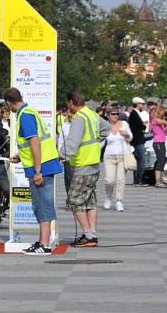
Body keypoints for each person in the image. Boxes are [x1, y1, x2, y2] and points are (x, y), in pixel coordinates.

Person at [4, 87, 62, 255]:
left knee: (42, 204)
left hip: (42, 167)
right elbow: (30, 146)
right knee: (40, 204)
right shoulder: (28, 112)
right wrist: (20, 157)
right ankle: (42, 241)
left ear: (9, 103)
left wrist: (38, 171)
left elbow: (35, 142)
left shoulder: (25, 115)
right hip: (43, 164)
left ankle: (44, 244)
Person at [63, 89, 109, 247]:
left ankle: (87, 234)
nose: (67, 105)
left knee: (74, 201)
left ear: (72, 102)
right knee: (89, 200)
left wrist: (62, 155)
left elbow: (72, 142)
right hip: (94, 163)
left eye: (67, 102)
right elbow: (107, 128)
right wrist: (95, 141)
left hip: (83, 163)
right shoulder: (91, 114)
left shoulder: (79, 118)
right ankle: (92, 234)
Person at [102, 107, 132, 212]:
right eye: (113, 114)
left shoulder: (124, 124)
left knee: (120, 180)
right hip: (109, 156)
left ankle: (119, 201)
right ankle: (108, 196)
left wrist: (126, 134)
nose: (115, 116)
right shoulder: (105, 126)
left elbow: (131, 137)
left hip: (122, 156)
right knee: (109, 180)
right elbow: (101, 142)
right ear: (108, 115)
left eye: (117, 114)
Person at [128, 97, 147, 186]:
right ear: (138, 104)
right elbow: (140, 126)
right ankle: (139, 180)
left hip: (136, 140)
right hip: (138, 140)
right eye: (141, 104)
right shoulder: (134, 114)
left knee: (138, 160)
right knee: (141, 160)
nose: (142, 105)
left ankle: (136, 180)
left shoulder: (134, 113)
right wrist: (143, 125)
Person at [150, 105, 167, 187]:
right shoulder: (155, 120)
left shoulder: (159, 120)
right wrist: (164, 117)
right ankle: (158, 181)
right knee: (160, 161)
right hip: (158, 142)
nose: (164, 112)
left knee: (162, 161)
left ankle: (159, 180)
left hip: (161, 142)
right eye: (162, 111)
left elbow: (165, 127)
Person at [56, 105, 73, 192]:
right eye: (69, 112)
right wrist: (60, 154)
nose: (70, 114)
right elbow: (61, 141)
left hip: (79, 156)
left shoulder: (80, 124)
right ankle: (69, 198)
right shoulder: (65, 126)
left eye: (72, 112)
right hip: (67, 156)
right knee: (68, 178)